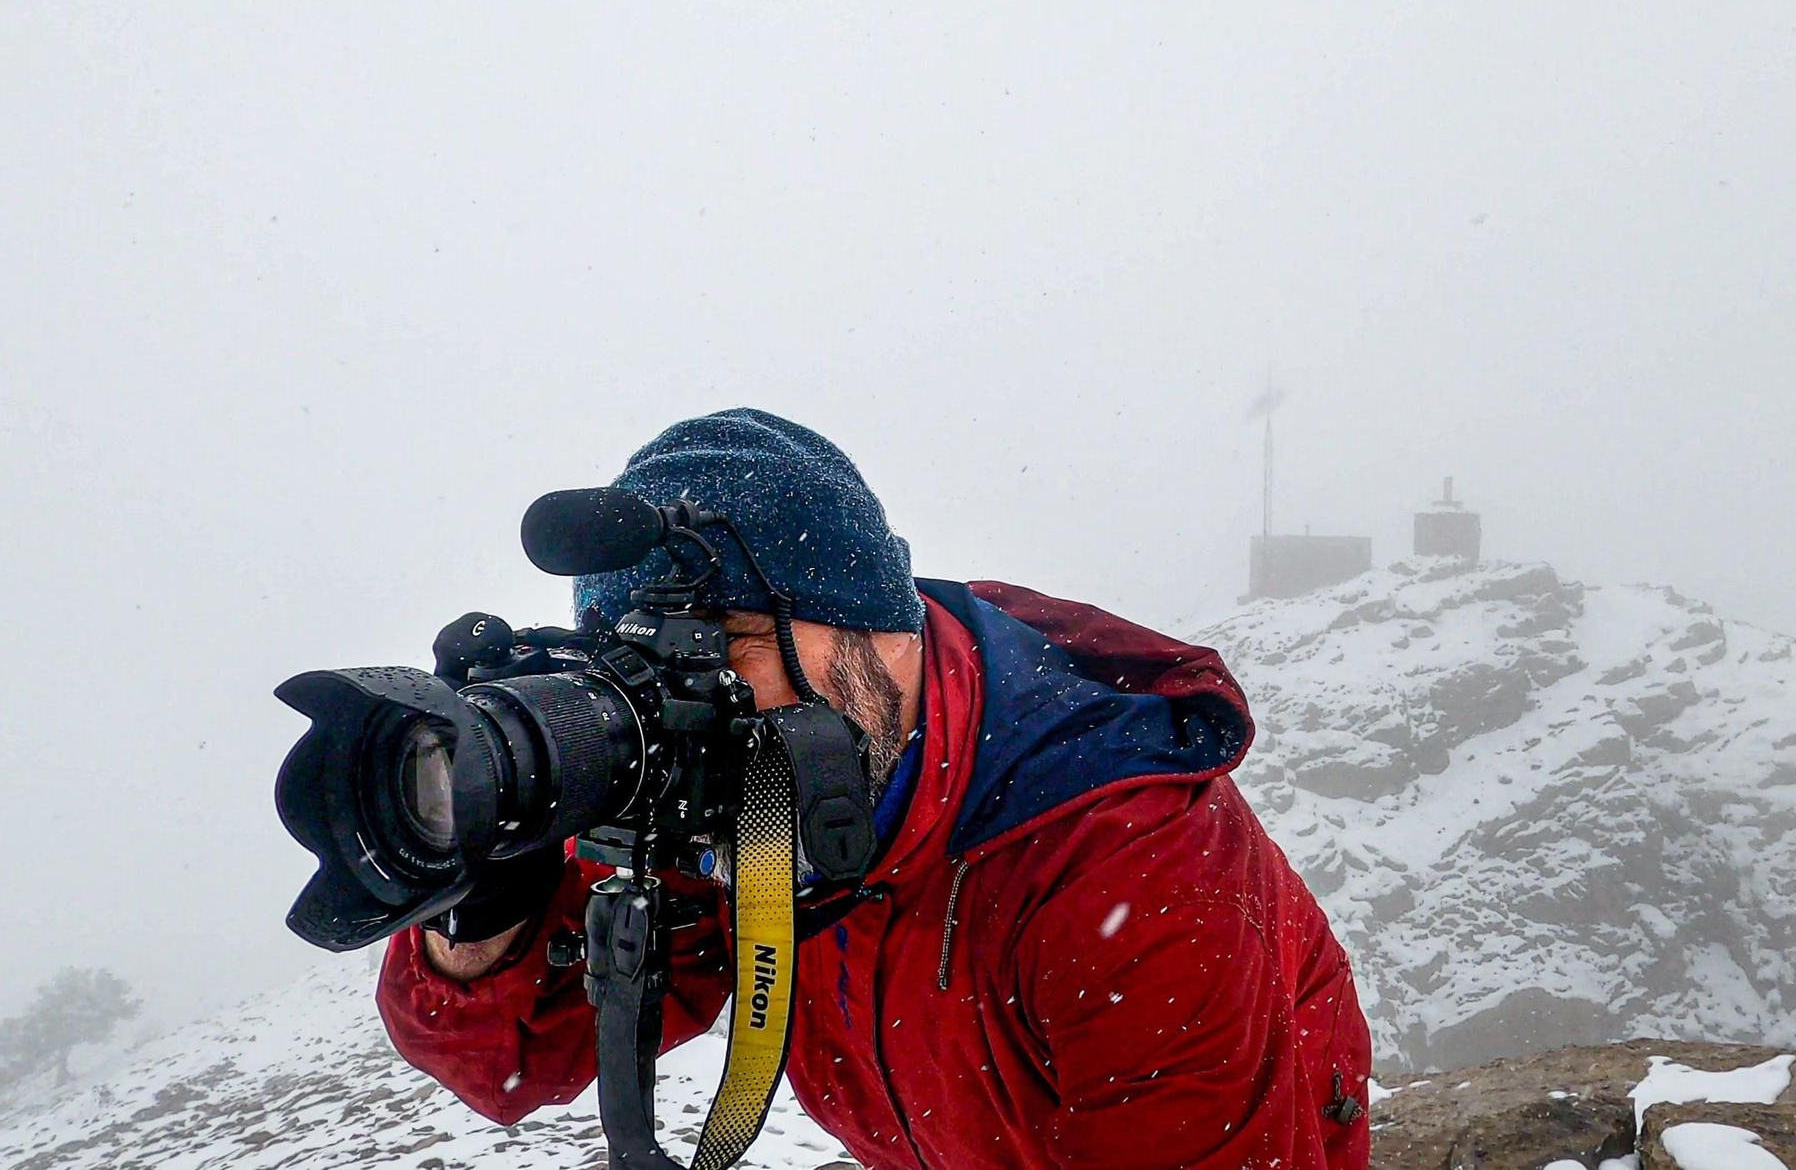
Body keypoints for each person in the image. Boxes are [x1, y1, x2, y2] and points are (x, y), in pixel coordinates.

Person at [377, 408, 1372, 1170]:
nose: (689, 701)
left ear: (880, 635)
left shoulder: (1125, 858)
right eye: (641, 662)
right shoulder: (735, 773)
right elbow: (506, 1065)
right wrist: (487, 903)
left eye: (729, 645)